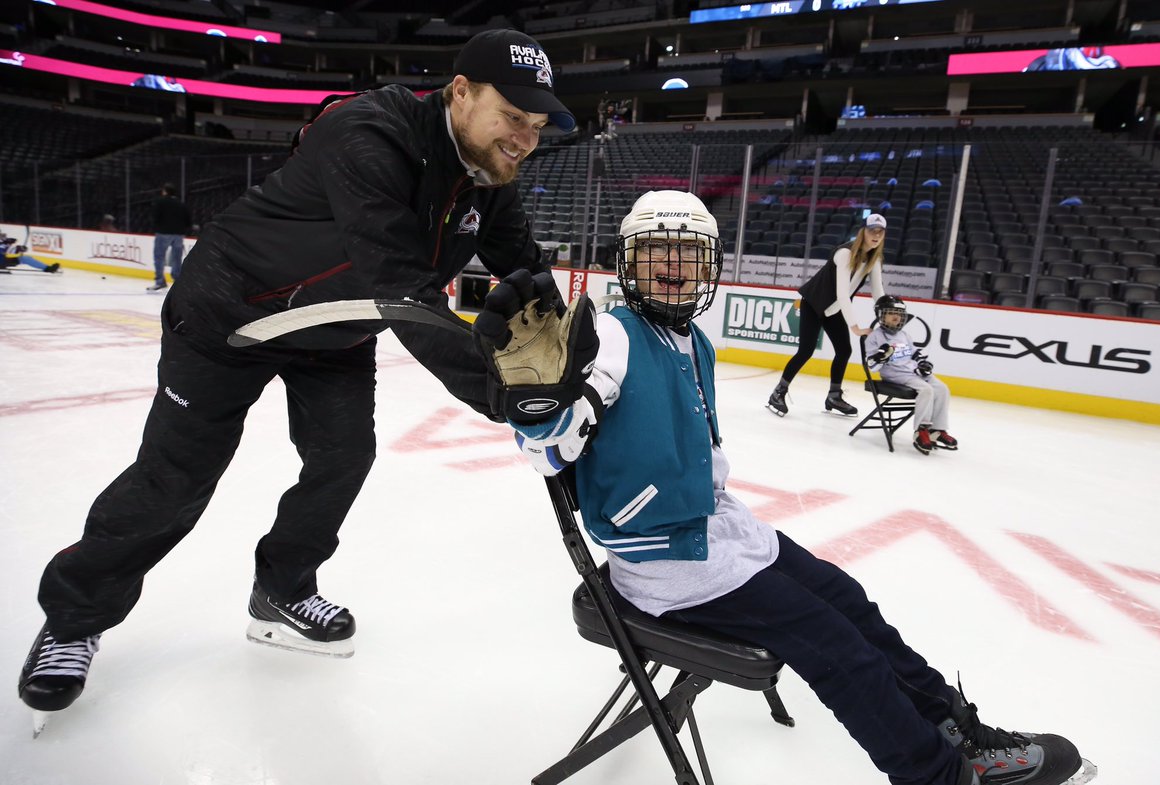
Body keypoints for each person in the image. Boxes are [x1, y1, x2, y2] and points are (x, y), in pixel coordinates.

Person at [18, 27, 576, 730]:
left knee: (344, 456)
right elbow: (400, 285)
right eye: (512, 116)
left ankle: (281, 587)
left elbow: (525, 273)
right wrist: (501, 393)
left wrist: (571, 362)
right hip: (229, 312)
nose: (524, 137)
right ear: (460, 92)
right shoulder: (369, 133)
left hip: (333, 331)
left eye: (535, 125)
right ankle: (74, 615)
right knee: (176, 479)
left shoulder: (490, 175)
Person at [494, 190, 1093, 785]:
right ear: (629, 260)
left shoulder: (694, 341)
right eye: (657, 251)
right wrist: (540, 410)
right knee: (834, 644)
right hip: (664, 563)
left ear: (710, 265)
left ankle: (956, 730)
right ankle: (936, 776)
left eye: (689, 253)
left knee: (853, 604)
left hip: (719, 532)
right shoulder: (617, 339)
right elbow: (553, 449)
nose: (674, 267)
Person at [766, 212, 888, 418]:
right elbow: (842, 293)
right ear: (863, 232)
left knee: (844, 350)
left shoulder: (874, 260)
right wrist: (855, 326)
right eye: (871, 231)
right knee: (806, 350)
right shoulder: (845, 254)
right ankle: (778, 392)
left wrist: (886, 312)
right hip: (813, 304)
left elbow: (878, 292)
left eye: (880, 232)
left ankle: (834, 396)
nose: (876, 235)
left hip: (834, 309)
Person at [865, 295, 958, 455]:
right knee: (927, 390)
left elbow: (915, 354)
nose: (896, 317)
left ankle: (937, 430)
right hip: (895, 375)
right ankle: (921, 430)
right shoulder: (875, 337)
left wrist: (923, 364)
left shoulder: (904, 335)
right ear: (881, 315)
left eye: (899, 314)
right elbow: (872, 366)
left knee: (942, 388)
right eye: (891, 313)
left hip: (914, 372)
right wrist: (880, 357)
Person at [147, 183, 192, 291]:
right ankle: (177, 280)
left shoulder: (160, 202)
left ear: (165, 191)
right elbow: (188, 219)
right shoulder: (181, 204)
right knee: (177, 258)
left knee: (159, 257)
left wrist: (157, 226)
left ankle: (160, 281)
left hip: (163, 233)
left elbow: (155, 216)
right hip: (178, 234)